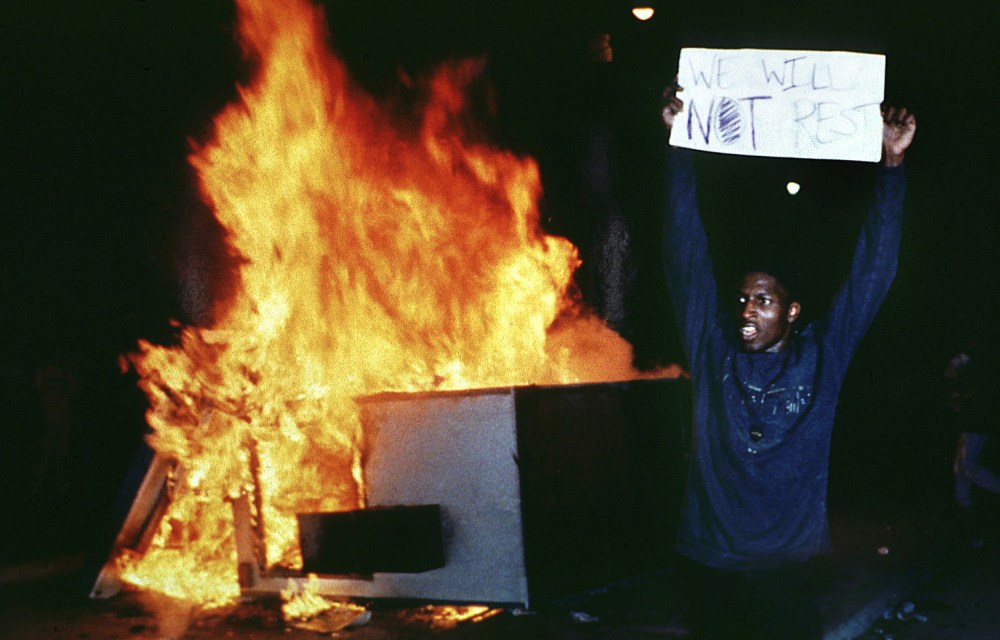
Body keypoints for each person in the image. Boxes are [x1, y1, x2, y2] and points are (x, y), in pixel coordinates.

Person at [660, 84, 916, 639]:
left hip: (792, 567)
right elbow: (685, 251)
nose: (748, 310)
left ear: (792, 311)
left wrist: (892, 163)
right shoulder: (712, 349)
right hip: (712, 563)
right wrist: (679, 148)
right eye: (744, 299)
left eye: (764, 300)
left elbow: (873, 271)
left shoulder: (824, 355)